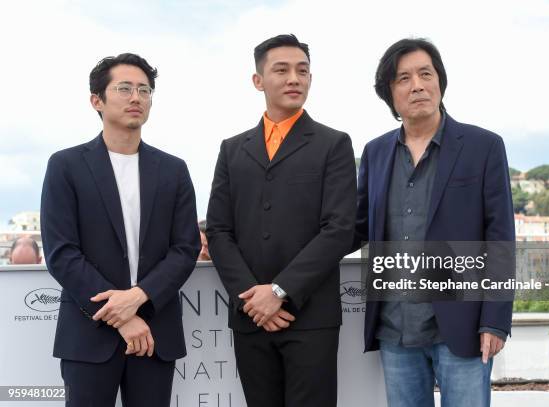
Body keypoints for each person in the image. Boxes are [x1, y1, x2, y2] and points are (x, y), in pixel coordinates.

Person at [355, 38, 515, 407]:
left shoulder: (483, 146)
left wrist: (495, 319)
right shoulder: (375, 153)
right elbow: (356, 226)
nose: (417, 85)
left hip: (463, 327)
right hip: (395, 329)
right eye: (404, 78)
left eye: (425, 74)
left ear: (440, 81)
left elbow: (500, 237)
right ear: (390, 95)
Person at [40, 53, 200, 407]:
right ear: (96, 100)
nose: (136, 98)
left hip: (155, 331)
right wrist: (121, 316)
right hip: (89, 333)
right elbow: (62, 253)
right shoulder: (66, 166)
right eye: (124, 88)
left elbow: (185, 248)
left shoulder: (173, 170)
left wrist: (138, 297)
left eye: (144, 90)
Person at [206, 34, 356, 407]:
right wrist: (252, 299)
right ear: (258, 81)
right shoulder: (232, 149)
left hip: (311, 318)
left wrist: (278, 291)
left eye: (302, 71)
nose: (294, 78)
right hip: (250, 317)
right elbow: (219, 230)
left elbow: (338, 230)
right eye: (282, 70)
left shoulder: (333, 144)